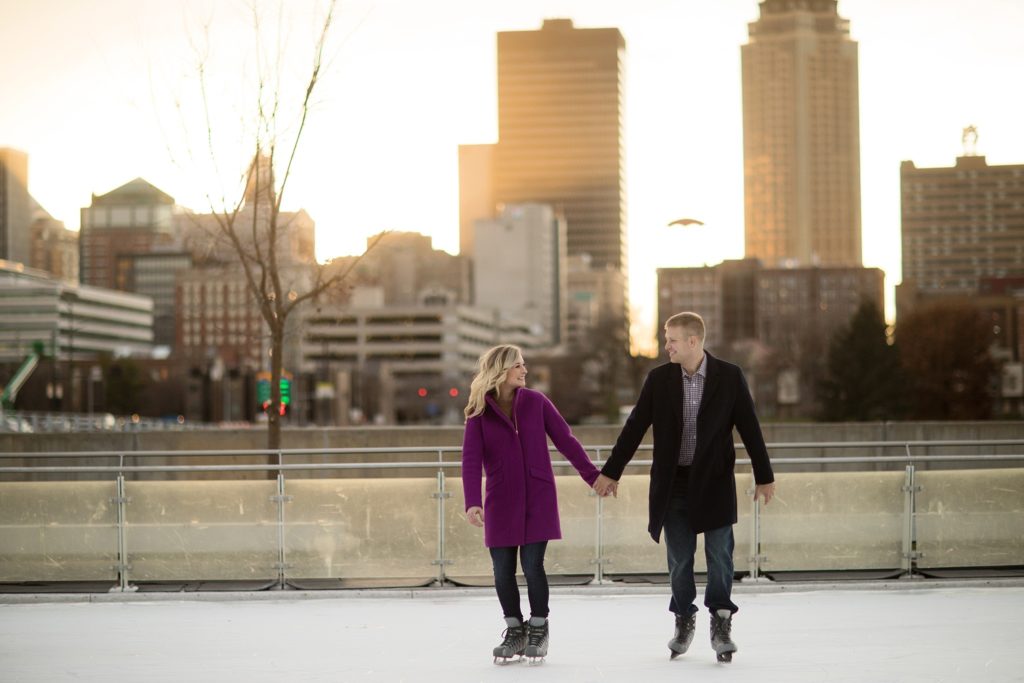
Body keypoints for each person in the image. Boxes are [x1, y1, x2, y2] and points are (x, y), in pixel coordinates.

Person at [594, 312, 776, 663]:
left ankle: (721, 623)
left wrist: (764, 475)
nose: (667, 346)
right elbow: (634, 428)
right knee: (679, 559)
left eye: (672, 340)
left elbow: (750, 429)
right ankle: (683, 618)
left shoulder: (730, 377)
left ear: (693, 341)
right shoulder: (659, 379)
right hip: (673, 484)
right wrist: (611, 472)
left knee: (720, 557)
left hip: (714, 483)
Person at [461, 344, 603, 664]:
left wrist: (592, 476)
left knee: (533, 565)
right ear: (501, 371)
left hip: (538, 496)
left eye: (524, 365)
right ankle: (515, 630)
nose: (525, 371)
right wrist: (472, 502)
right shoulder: (479, 413)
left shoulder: (537, 402)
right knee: (502, 570)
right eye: (518, 366)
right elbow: (470, 462)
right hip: (500, 499)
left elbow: (566, 439)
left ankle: (538, 627)